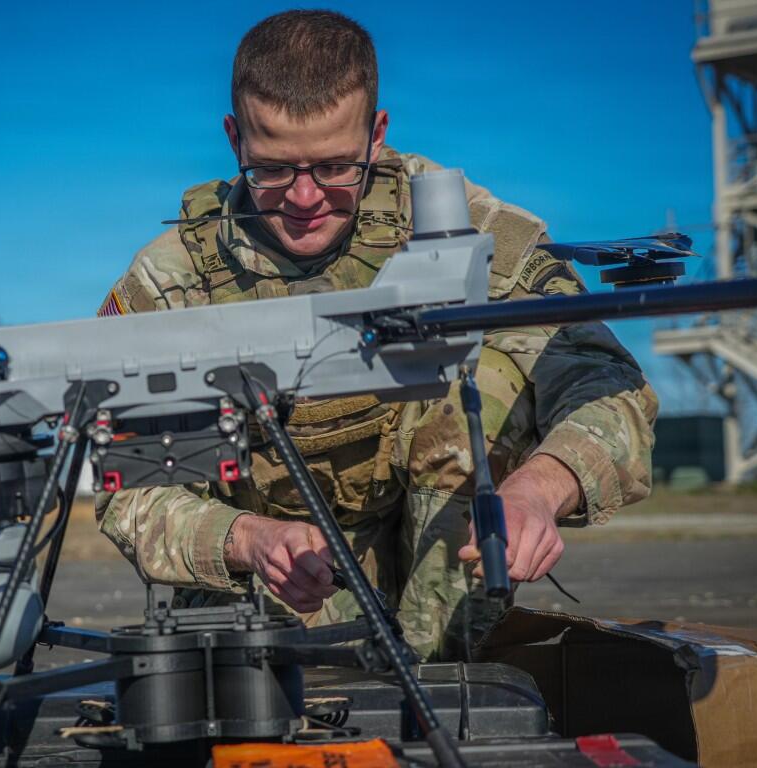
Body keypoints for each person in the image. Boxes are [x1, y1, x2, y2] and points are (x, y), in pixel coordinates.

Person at [95, 10, 657, 660]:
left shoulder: (468, 231)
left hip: (443, 563)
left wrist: (535, 493)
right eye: (272, 170)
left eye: (335, 167)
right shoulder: (172, 282)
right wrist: (246, 539)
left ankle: (446, 677)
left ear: (377, 134)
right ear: (234, 140)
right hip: (272, 586)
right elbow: (132, 488)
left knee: (489, 365)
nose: (304, 198)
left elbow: (608, 386)